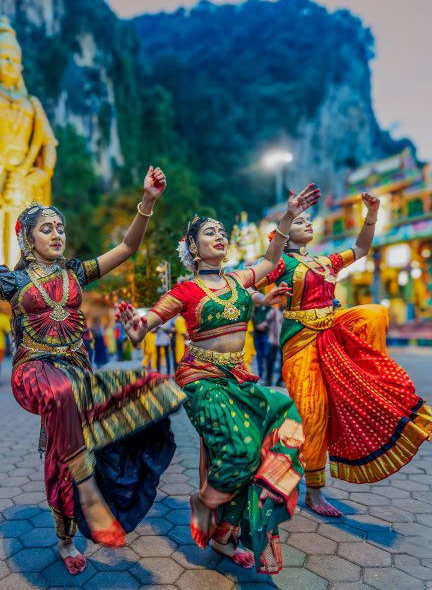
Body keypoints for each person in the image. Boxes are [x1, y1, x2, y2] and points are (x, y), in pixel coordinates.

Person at [0, 166, 183, 575]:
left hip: (77, 372)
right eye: (46, 228)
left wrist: (147, 202)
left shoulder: (75, 272)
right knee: (61, 397)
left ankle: (66, 537)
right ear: (27, 238)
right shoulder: (11, 281)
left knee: (152, 389)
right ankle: (88, 493)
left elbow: (127, 248)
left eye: (59, 227)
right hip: (33, 371)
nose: (56, 234)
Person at [116, 185, 318, 574]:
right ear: (192, 248)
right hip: (201, 380)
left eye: (221, 231)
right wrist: (135, 326)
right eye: (209, 232)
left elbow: (270, 257)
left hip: (237, 377)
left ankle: (225, 535)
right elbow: (148, 323)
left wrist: (288, 215)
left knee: (281, 420)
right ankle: (204, 502)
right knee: (240, 450)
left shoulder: (240, 281)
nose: (219, 235)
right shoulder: (185, 290)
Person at [261, 191, 432, 518]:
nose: (308, 223)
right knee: (313, 412)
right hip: (300, 343)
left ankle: (364, 375)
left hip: (332, 330)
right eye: (300, 222)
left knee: (374, 314)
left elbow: (362, 248)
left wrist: (372, 213)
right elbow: (265, 264)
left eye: (307, 219)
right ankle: (313, 491)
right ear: (284, 236)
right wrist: (287, 217)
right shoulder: (280, 263)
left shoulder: (325, 261)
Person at [252, 301, 271, 383]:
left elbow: (270, 319)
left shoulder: (269, 308)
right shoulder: (256, 308)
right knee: (259, 356)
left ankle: (267, 377)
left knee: (266, 356)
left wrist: (264, 325)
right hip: (257, 335)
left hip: (266, 335)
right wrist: (257, 325)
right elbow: (252, 317)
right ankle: (261, 375)